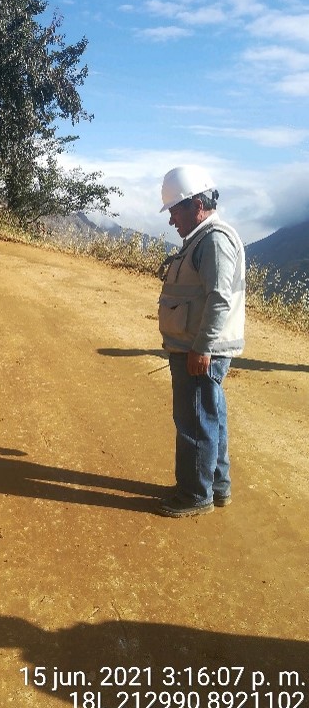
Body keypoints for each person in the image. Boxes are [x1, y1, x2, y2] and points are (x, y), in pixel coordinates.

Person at [156, 165, 245, 517]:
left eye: (174, 211)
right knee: (210, 418)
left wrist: (202, 348)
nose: (171, 221)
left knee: (195, 422)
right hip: (196, 347)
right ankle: (215, 486)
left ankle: (195, 494)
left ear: (195, 205)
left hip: (199, 350)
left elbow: (219, 298)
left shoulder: (214, 241)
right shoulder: (203, 239)